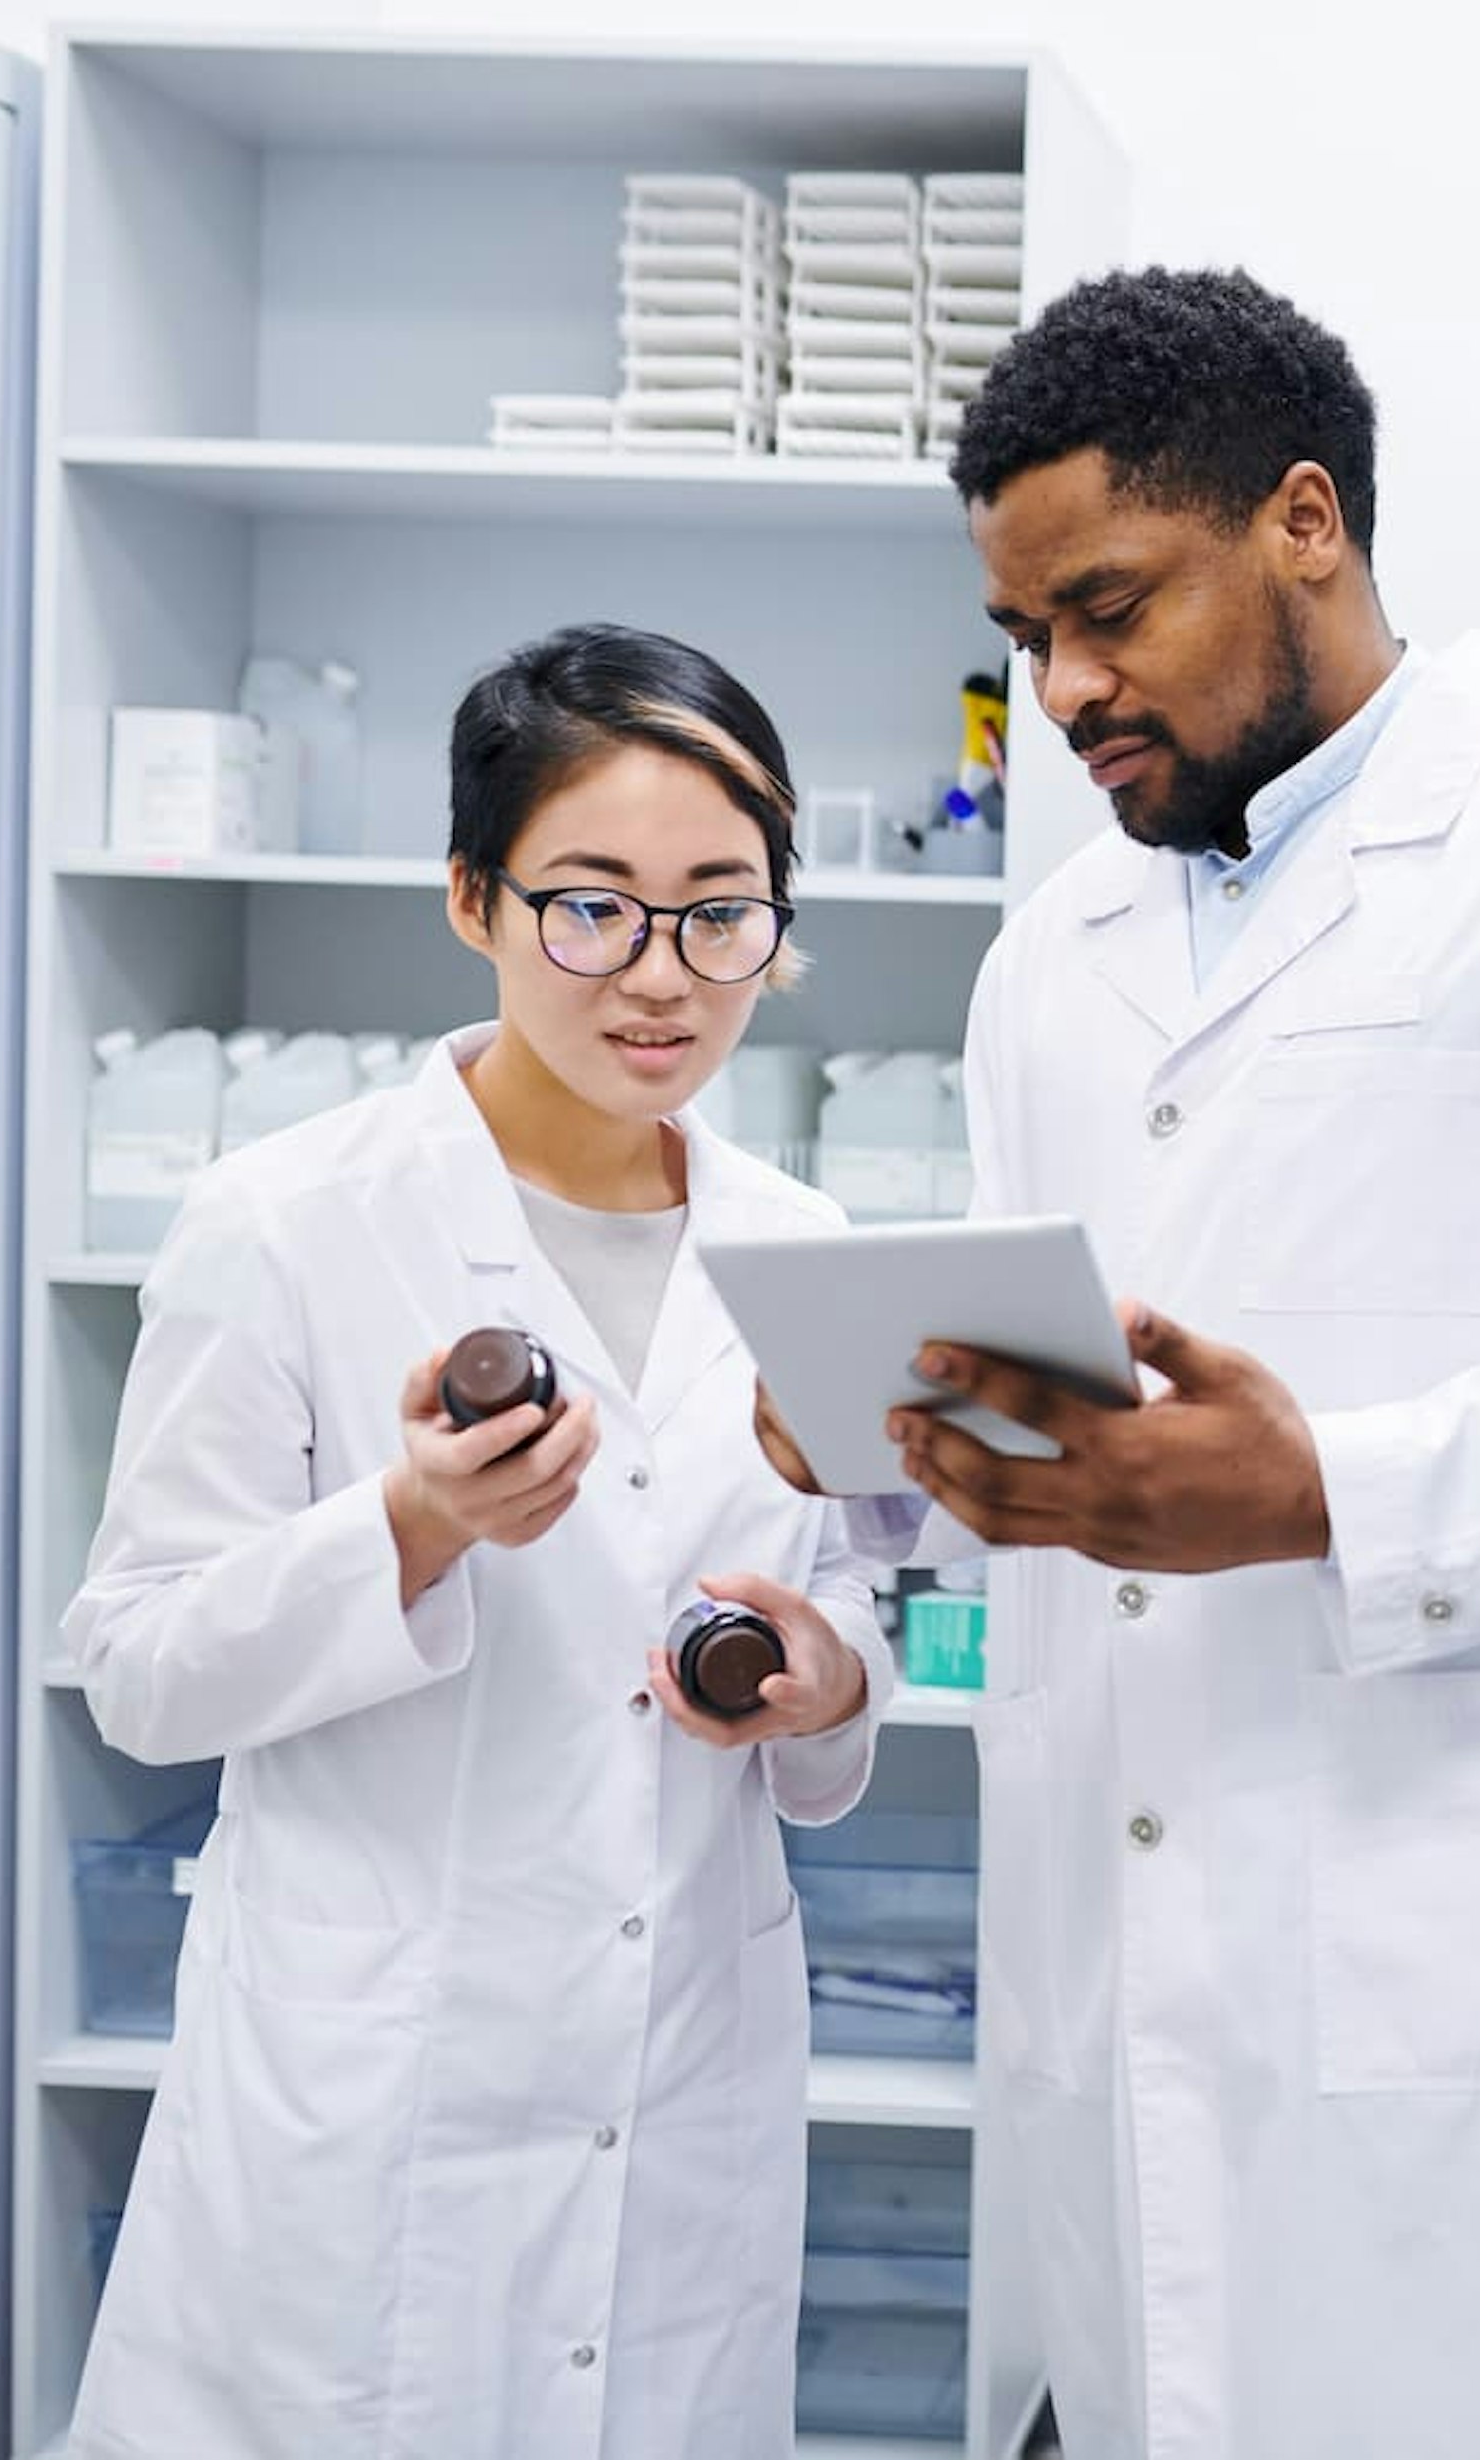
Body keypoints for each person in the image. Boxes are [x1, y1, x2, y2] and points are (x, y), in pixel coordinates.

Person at [764, 267, 1480, 2458]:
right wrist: (891, 1444)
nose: (1067, 691)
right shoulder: (1053, 960)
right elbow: (1057, 1469)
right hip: (1129, 1986)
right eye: (1027, 641)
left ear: (1306, 523)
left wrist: (1329, 1494)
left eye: (1111, 609)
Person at [63, 625, 898, 2458]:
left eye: (721, 911)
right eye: (591, 907)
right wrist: (411, 1528)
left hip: (678, 2079)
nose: (661, 976)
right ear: (473, 897)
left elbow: (835, 1667)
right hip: (367, 2114)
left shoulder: (805, 1240)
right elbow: (134, 1666)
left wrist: (827, 1679)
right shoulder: (284, 1220)